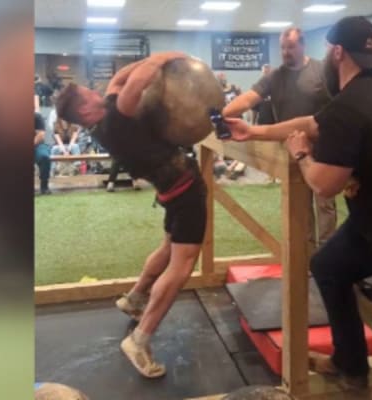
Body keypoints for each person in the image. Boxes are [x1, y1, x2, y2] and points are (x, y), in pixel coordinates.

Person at [225, 16, 372, 390]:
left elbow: (325, 185)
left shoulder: (351, 106)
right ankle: (351, 364)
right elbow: (312, 122)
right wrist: (253, 130)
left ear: (336, 53)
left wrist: (301, 155)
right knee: (327, 266)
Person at [55, 51, 207, 379]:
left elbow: (118, 80)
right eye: (89, 93)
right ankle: (140, 339)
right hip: (183, 191)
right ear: (84, 108)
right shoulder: (115, 120)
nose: (97, 93)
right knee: (182, 264)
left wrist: (143, 65)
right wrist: (170, 56)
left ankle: (136, 298)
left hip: (170, 191)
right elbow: (137, 79)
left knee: (169, 249)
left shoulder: (106, 115)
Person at [223, 27, 337, 249]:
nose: (286, 52)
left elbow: (340, 103)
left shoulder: (322, 71)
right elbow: (247, 99)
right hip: (291, 150)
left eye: (291, 47)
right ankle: (307, 256)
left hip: (323, 149)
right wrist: (221, 115)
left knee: (325, 205)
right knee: (299, 205)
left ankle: (327, 254)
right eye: (283, 47)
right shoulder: (274, 77)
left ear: (302, 45)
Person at [34, 112, 52, 195]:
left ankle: (44, 187)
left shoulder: (36, 116)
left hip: (37, 145)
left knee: (44, 157)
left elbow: (41, 135)